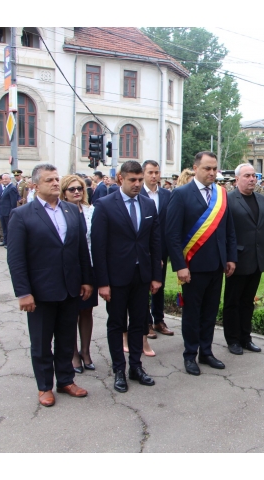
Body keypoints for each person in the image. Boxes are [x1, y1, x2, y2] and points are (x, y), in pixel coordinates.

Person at [7, 164, 93, 407]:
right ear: (35, 186)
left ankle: (66, 380)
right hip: (40, 291)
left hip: (70, 288)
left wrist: (86, 279)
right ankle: (44, 386)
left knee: (66, 339)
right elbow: (16, 258)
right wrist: (23, 292)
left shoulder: (71, 210)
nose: (56, 183)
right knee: (42, 343)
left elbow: (81, 249)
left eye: (57, 179)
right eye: (49, 180)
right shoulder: (22, 215)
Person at [91, 160, 163, 393]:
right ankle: (119, 370)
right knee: (116, 323)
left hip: (141, 276)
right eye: (133, 180)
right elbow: (98, 247)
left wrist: (156, 276)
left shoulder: (148, 204)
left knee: (139, 323)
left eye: (140, 179)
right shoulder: (105, 205)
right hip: (116, 278)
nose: (138, 184)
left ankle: (136, 367)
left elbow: (155, 243)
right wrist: (103, 282)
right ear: (121, 179)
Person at [166, 151, 237, 376]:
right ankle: (190, 355)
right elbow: (172, 235)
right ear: (195, 168)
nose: (212, 173)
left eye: (215, 168)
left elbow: (229, 229)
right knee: (192, 314)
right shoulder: (180, 194)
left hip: (217, 265)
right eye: (207, 168)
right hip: (192, 267)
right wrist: (180, 266)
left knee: (210, 312)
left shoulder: (221, 194)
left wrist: (230, 257)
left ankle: (206, 352)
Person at [223, 164, 264, 355]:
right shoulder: (228, 200)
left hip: (257, 260)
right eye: (247, 176)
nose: (252, 179)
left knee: (247, 302)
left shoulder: (262, 200)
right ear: (237, 179)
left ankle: (246, 338)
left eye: (254, 175)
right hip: (236, 261)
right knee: (232, 302)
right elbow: (224, 233)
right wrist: (228, 258)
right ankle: (233, 339)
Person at [60, 175, 98, 374]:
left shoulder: (91, 210)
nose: (76, 192)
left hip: (89, 267)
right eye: (72, 189)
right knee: (70, 313)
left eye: (80, 189)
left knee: (86, 311)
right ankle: (73, 354)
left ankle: (85, 351)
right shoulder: (60, 211)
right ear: (64, 192)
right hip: (69, 269)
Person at [139, 160, 174, 338]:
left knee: (160, 284)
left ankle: (159, 319)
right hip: (143, 249)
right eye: (150, 172)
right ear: (143, 174)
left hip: (162, 247)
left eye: (156, 172)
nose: (154, 176)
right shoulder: (138, 194)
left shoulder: (167, 195)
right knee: (144, 286)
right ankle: (146, 323)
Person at [0, 173, 19, 248]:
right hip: (2, 211)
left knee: (9, 228)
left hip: (8, 211)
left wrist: (12, 211)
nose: (4, 180)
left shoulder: (12, 188)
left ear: (9, 179)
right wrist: (1, 206)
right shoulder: (5, 187)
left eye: (6, 179)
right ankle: (5, 241)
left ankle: (10, 243)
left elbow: (13, 202)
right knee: (4, 227)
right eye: (3, 179)